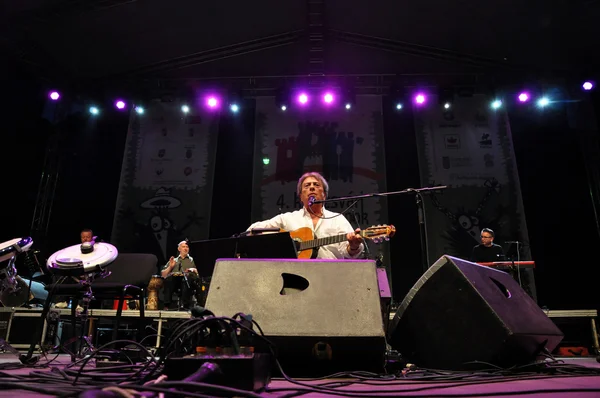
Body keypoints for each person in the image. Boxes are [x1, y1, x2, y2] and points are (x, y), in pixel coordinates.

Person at [247, 172, 364, 259]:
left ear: (324, 195)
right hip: (295, 275)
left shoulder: (338, 219)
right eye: (307, 186)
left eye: (316, 185)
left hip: (331, 277)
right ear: (301, 197)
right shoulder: (287, 219)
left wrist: (353, 246)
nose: (312, 187)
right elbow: (253, 230)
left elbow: (348, 253)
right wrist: (277, 244)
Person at [161, 240, 202, 310]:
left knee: (187, 278)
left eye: (187, 247)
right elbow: (163, 275)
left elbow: (201, 272)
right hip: (176, 283)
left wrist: (192, 269)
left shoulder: (192, 260)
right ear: (179, 249)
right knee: (169, 279)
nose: (185, 248)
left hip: (190, 282)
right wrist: (170, 267)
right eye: (183, 247)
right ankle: (167, 305)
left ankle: (185, 305)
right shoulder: (174, 260)